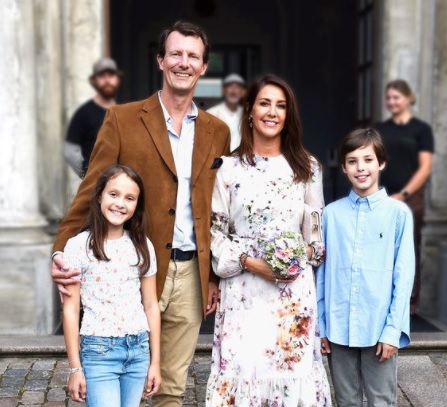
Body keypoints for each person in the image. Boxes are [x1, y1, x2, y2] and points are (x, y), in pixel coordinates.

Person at [51, 21, 230, 407]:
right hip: (131, 270)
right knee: (121, 382)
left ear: (203, 67)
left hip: (190, 278)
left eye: (193, 56)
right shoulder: (122, 119)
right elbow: (89, 194)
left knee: (170, 390)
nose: (184, 62)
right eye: (176, 54)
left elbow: (219, 210)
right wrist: (61, 254)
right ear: (161, 60)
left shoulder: (219, 131)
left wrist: (213, 273)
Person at [206, 74, 331, 406]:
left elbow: (317, 238)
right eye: (264, 103)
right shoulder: (227, 169)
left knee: (290, 377)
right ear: (249, 110)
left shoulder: (307, 167)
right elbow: (214, 234)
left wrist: (293, 257)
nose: (272, 112)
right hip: (243, 291)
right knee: (244, 371)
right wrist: (251, 262)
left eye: (281, 105)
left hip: (292, 296)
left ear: (289, 115)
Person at [317, 128, 415, 407]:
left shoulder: (398, 214)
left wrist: (392, 330)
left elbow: (403, 275)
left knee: (381, 399)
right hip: (338, 327)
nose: (361, 168)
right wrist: (321, 326)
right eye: (352, 161)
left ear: (381, 163)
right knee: (346, 400)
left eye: (368, 160)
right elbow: (322, 275)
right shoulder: (330, 215)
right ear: (344, 168)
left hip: (379, 327)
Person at [63, 165, 161, 406]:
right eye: (113, 194)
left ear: (137, 205)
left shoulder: (142, 246)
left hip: (138, 350)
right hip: (99, 352)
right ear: (99, 196)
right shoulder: (78, 247)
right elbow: (71, 309)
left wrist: (155, 362)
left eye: (130, 198)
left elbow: (151, 305)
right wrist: (75, 368)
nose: (120, 203)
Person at [375, 79, 434, 315]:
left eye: (396, 97)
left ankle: (410, 303)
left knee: (410, 246)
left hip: (411, 197)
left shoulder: (421, 130)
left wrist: (405, 193)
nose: (392, 102)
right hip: (383, 195)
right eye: (388, 98)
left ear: (409, 98)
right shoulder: (381, 129)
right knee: (381, 245)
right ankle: (382, 298)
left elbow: (425, 167)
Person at [65, 57, 122, 178]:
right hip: (94, 187)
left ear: (117, 79)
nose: (107, 80)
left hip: (120, 184)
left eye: (111, 75)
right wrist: (87, 174)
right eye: (102, 76)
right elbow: (69, 150)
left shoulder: (124, 111)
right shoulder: (84, 113)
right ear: (94, 81)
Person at [207, 73, 246, 151]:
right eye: (230, 86)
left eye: (237, 87)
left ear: (243, 92)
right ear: (224, 91)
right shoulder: (211, 113)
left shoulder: (246, 114)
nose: (233, 91)